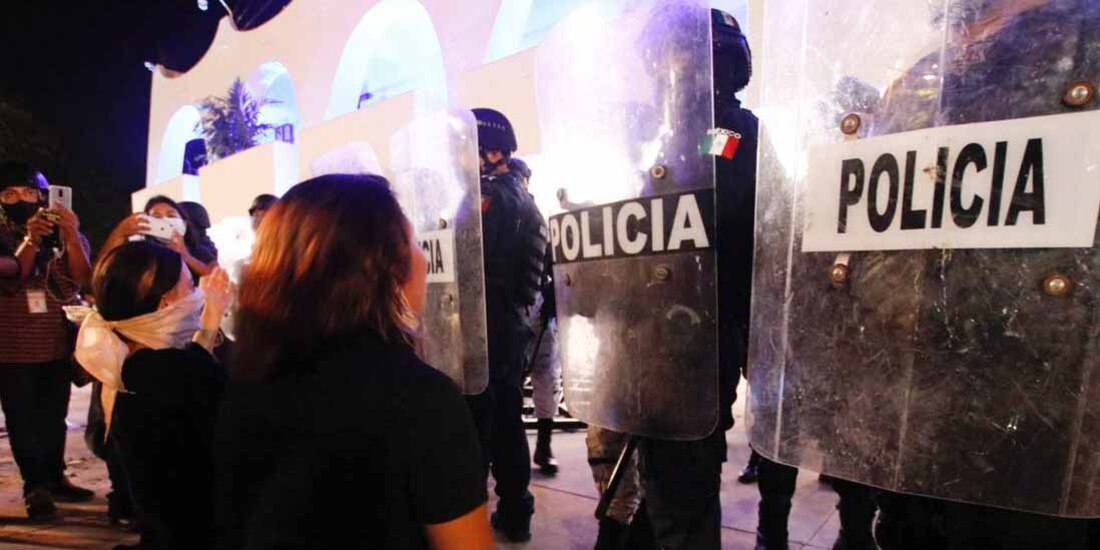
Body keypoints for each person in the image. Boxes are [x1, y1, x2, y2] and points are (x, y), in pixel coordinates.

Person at [213, 174, 492, 550]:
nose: (424, 257)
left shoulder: (246, 377)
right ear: (383, 270)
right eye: (412, 242)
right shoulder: (420, 400)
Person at [74, 242, 232, 550]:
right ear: (164, 305)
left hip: (161, 526)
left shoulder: (130, 359)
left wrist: (210, 319)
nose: (197, 295)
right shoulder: (172, 371)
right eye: (190, 287)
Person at [466, 108, 548, 543]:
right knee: (508, 423)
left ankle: (474, 520)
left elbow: (471, 263)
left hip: (490, 324)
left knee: (480, 425)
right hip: (510, 323)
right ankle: (516, 509)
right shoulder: (523, 197)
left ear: (492, 151)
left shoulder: (491, 198)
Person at [0, 161, 95, 520]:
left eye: (27, 192)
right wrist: (30, 239)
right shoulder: (4, 236)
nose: (19, 199)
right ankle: (35, 488)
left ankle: (55, 479)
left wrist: (70, 236)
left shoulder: (65, 231)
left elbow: (83, 281)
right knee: (22, 420)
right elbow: (11, 275)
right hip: (11, 348)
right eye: (8, 193)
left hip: (56, 344)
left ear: (43, 195)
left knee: (54, 418)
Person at [509, 157, 564, 476]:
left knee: (543, 373)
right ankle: (526, 445)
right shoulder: (520, 211)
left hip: (537, 306)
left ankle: (543, 445)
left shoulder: (533, 213)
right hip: (515, 309)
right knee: (517, 376)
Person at [101, 195, 218, 279]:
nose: (165, 221)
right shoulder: (142, 254)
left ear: (184, 224)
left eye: (171, 215)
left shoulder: (198, 250)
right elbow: (103, 270)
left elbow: (215, 276)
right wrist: (120, 232)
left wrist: (185, 255)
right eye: (157, 217)